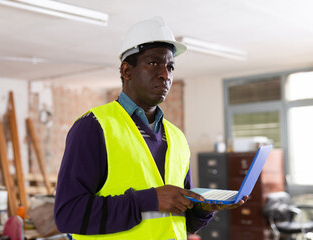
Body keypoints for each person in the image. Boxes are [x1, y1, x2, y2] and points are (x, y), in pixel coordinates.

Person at [54, 16, 248, 240]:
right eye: (154, 63)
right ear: (127, 71)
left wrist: (204, 210)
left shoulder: (177, 138)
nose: (165, 74)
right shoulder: (94, 127)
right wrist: (147, 200)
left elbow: (182, 224)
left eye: (171, 66)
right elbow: (67, 215)